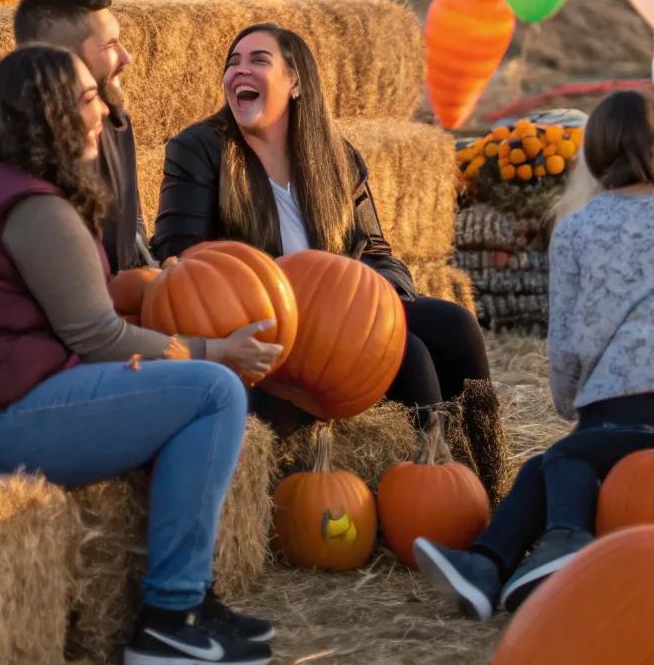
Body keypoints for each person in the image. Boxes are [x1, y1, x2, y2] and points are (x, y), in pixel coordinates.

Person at [0, 43, 282, 665]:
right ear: (51, 114)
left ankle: (192, 605)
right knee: (214, 392)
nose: (103, 109)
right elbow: (96, 335)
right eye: (88, 98)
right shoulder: (32, 204)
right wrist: (215, 351)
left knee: (190, 388)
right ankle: (171, 621)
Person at [415, 90, 654, 621]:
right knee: (549, 465)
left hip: (631, 414)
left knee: (567, 458)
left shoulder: (579, 227)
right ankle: (484, 568)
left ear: (595, 153)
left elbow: (568, 340)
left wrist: (573, 408)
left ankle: (559, 545)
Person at [152, 22, 494, 429]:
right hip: (263, 322)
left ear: (295, 82)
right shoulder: (200, 150)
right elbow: (178, 252)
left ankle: (481, 470)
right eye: (233, 62)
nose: (239, 70)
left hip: (338, 316)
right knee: (410, 354)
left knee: (455, 324)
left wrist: (376, 299)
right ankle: (431, 473)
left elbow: (376, 252)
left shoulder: (335, 157)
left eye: (259, 60)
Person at [14, 0, 151, 274]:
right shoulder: (14, 153)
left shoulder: (117, 125)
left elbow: (132, 238)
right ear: (60, 61)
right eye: (111, 45)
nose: (127, 57)